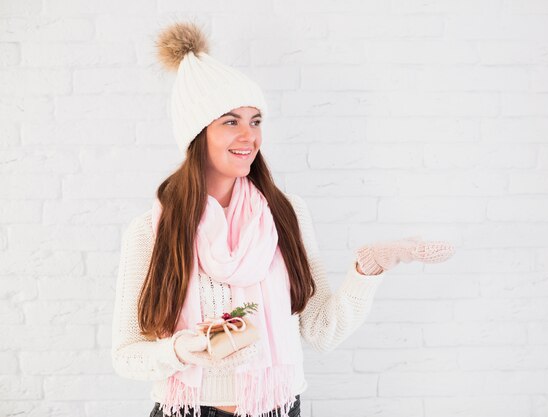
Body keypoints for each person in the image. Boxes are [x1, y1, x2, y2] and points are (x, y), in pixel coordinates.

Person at [110, 21, 455, 417]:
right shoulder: (152, 231)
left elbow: (321, 329)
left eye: (256, 121)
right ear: (196, 133)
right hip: (189, 409)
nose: (249, 136)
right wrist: (177, 350)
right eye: (230, 121)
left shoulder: (284, 215)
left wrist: (367, 269)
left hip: (278, 407)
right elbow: (126, 354)